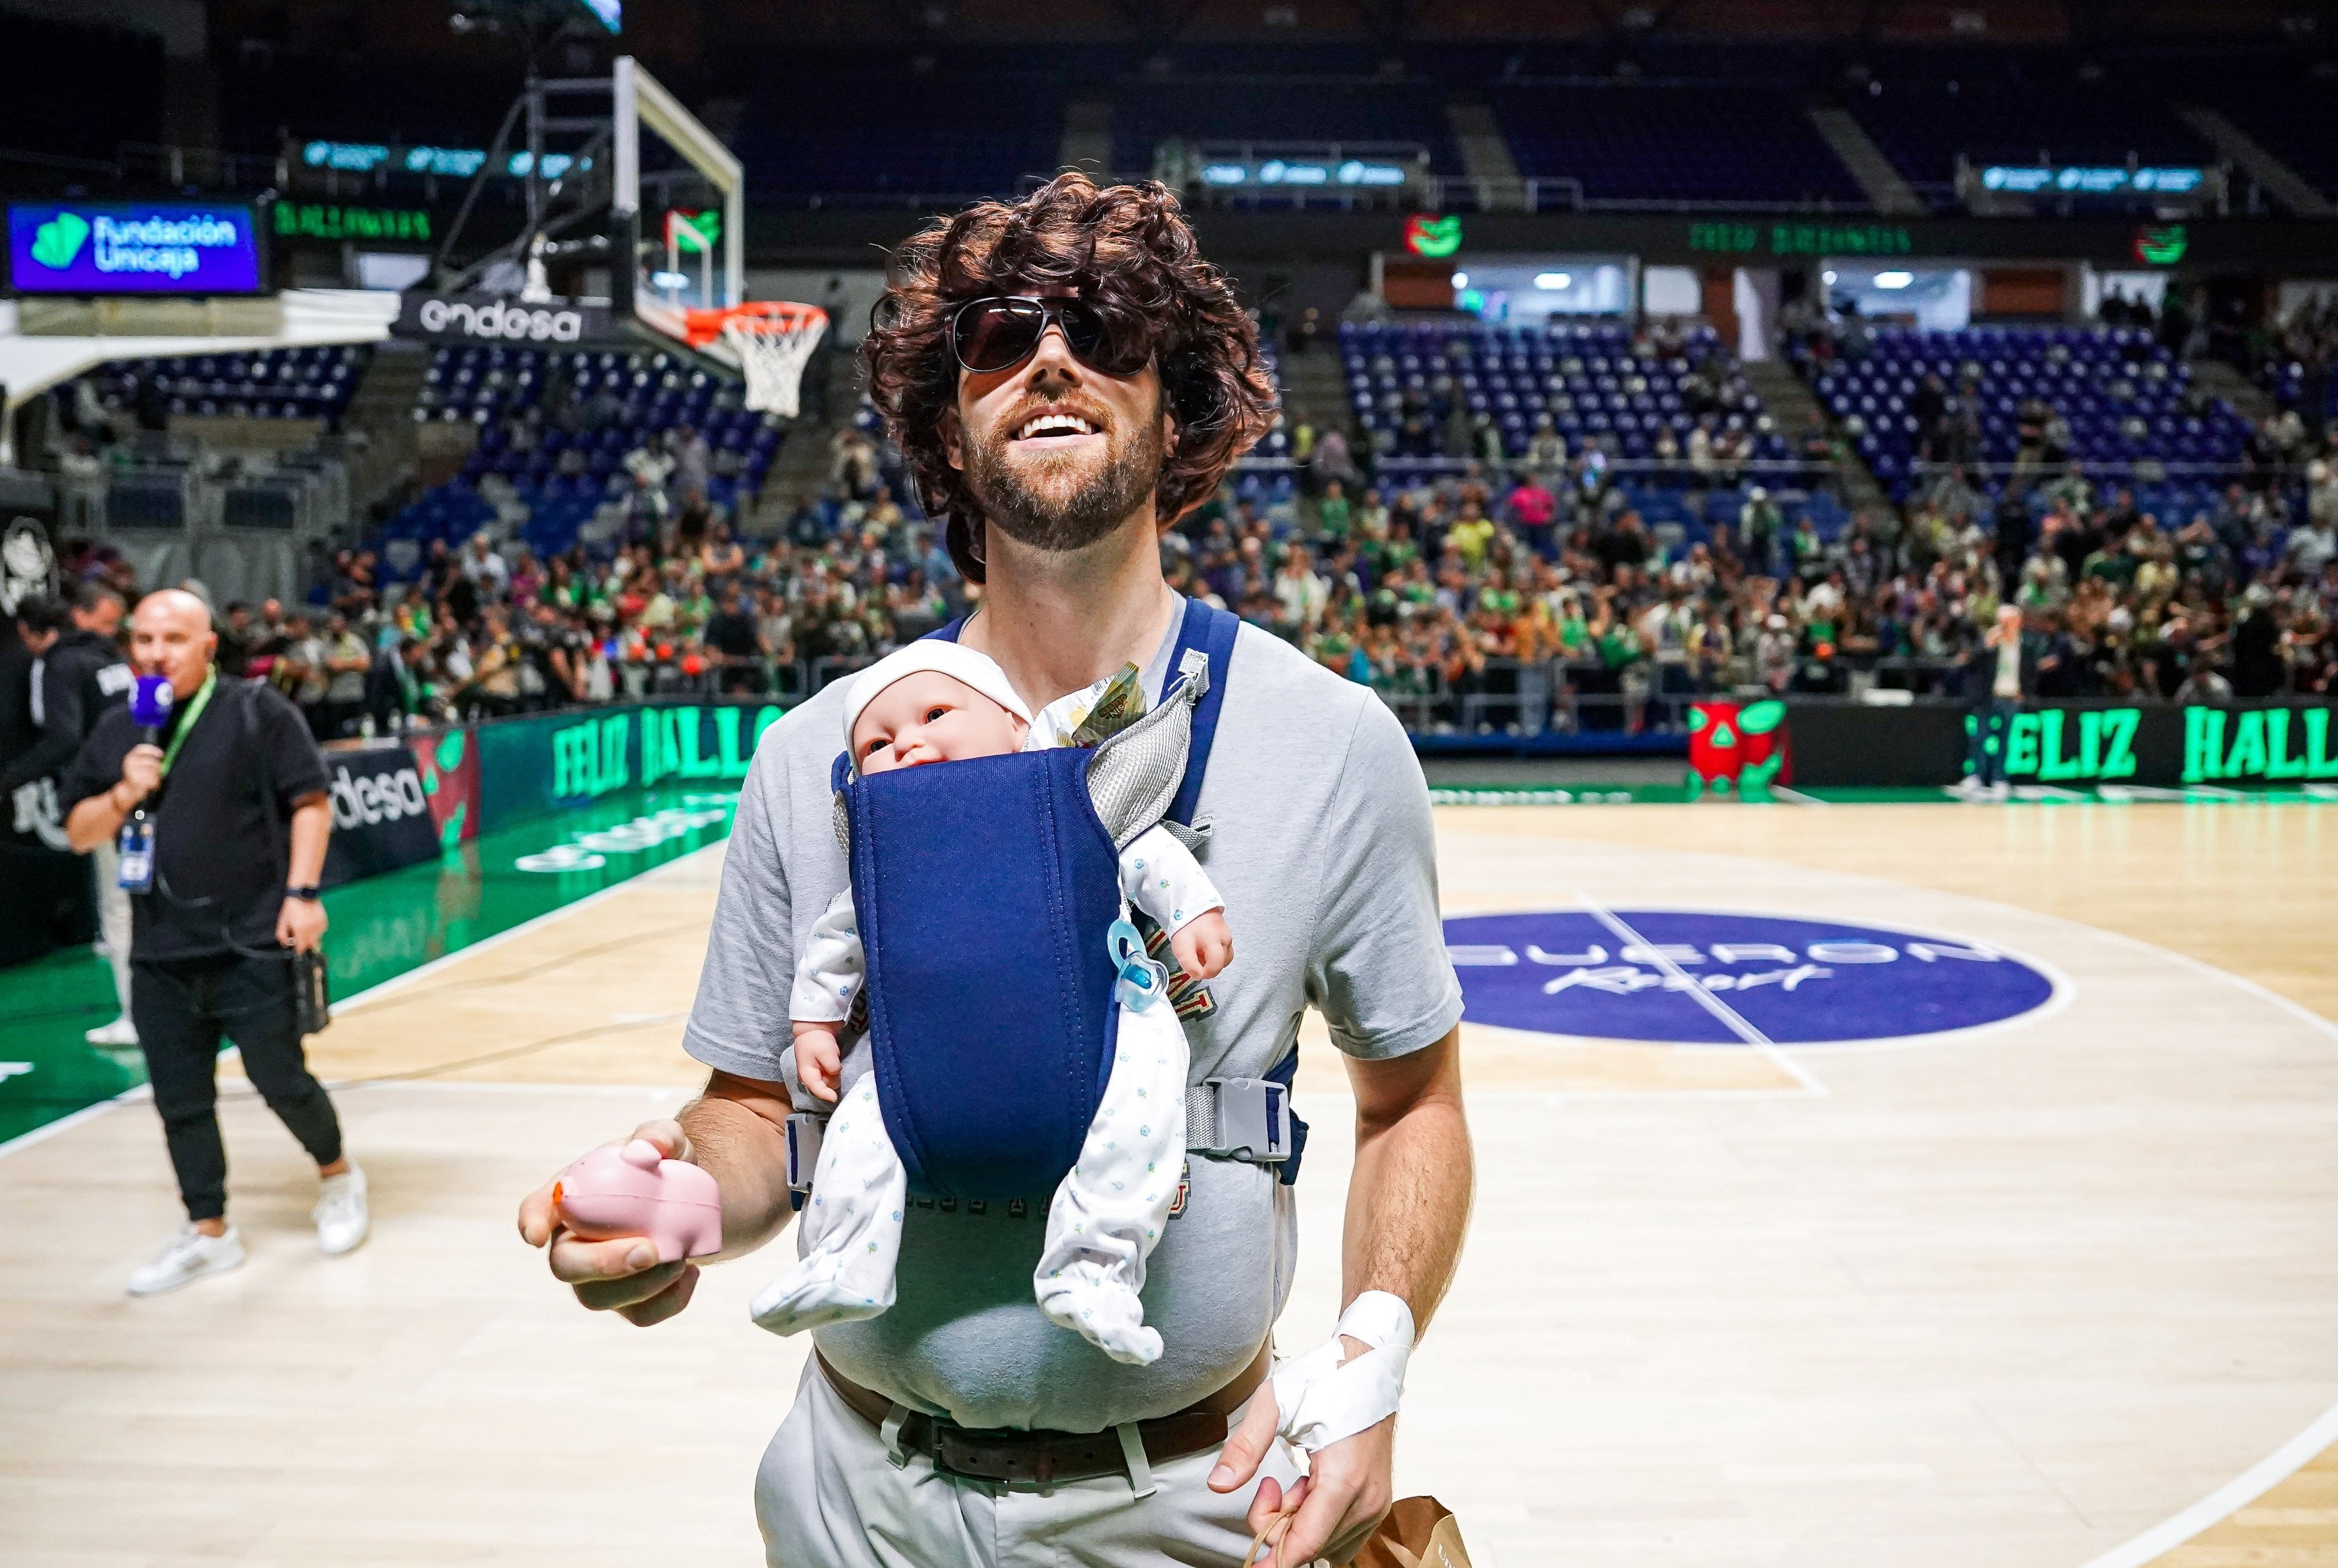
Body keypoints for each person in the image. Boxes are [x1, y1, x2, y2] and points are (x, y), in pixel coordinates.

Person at [517, 172, 1471, 1568]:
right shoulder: (813, 754)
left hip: (1192, 1504)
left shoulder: (1331, 743)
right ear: (948, 427)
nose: (1050, 355)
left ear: (1176, 398)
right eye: (998, 334)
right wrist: (677, 1212)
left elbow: (1413, 1101)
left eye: (1106, 325)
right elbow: (755, 1117)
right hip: (855, 1493)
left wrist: (1375, 1349)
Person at [757, 641, 1232, 1367]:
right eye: (876, 744)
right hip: (929, 1040)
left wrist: (1192, 912)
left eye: (936, 714)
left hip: (1096, 1021)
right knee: (863, 1114)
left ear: (1018, 724)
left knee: (1149, 1094)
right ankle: (844, 1257)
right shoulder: (890, 839)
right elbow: (843, 930)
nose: (907, 741)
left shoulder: (1065, 788)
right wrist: (815, 1021)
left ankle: (1094, 1266)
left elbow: (1141, 853)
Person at [59, 590, 368, 1295]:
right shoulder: (119, 730)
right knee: (179, 1097)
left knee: (280, 1078)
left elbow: (310, 802)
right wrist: (121, 795)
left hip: (252, 938)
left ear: (206, 646)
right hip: (160, 950)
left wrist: (304, 893)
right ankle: (208, 1230)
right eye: (142, 639)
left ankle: (339, 1176)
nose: (154, 652)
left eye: (172, 637)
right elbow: (79, 831)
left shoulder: (258, 713)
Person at [5, 587, 136, 1042]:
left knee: (121, 905)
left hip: (109, 797)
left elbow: (63, 737)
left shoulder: (59, 665)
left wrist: (11, 777)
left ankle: (136, 1019)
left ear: (28, 631)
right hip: (146, 781)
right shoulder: (108, 657)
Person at [1954, 604, 2034, 801]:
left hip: (2011, 698)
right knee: (1980, 737)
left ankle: (2000, 780)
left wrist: (2025, 693)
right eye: (2001, 622)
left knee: (2006, 740)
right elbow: (1970, 664)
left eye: (2008, 622)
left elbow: (2032, 672)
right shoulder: (1989, 642)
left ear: (2018, 622)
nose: (2004, 626)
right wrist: (1987, 646)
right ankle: (1976, 777)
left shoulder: (2026, 645)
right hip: (1989, 697)